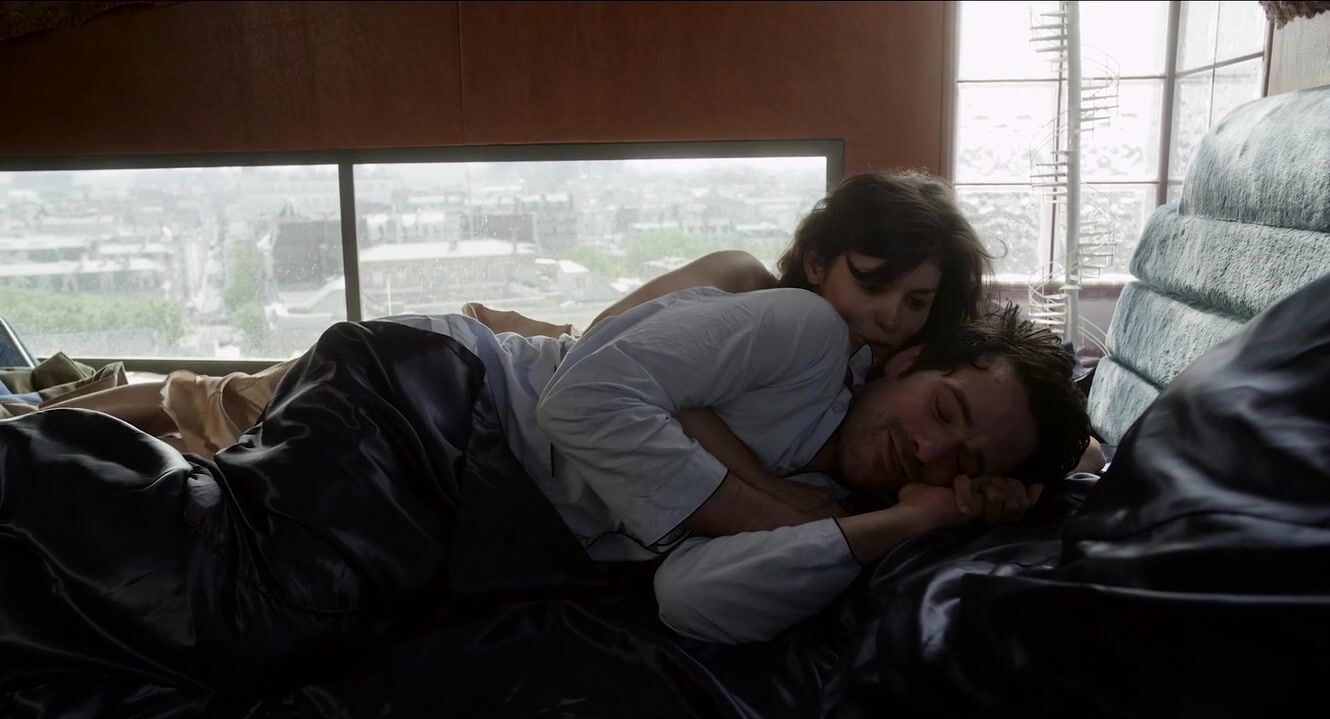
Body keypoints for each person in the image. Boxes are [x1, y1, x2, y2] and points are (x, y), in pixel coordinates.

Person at [44, 171, 994, 461]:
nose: (888, 317)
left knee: (224, 422)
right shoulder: (747, 282)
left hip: (502, 378)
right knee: (216, 398)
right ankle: (37, 421)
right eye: (875, 284)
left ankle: (51, 419)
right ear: (820, 260)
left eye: (916, 303)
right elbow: (606, 341)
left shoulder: (847, 377)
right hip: (477, 365)